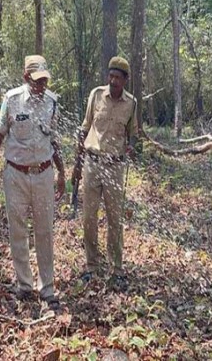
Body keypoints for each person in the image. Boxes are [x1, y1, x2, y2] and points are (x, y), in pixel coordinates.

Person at [0, 55, 65, 309]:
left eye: (45, 81)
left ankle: (47, 287)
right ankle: (24, 284)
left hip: (43, 174)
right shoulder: (12, 100)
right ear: (26, 78)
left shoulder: (52, 103)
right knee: (17, 230)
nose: (42, 86)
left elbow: (54, 141)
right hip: (15, 175)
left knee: (44, 231)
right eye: (37, 81)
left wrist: (61, 173)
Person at [72, 56, 138, 289]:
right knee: (89, 217)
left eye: (118, 78)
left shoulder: (132, 103)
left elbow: (133, 134)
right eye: (110, 76)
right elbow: (84, 127)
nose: (113, 81)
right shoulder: (96, 95)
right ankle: (91, 265)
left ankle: (116, 268)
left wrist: (131, 146)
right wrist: (77, 165)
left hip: (116, 166)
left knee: (114, 219)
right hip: (93, 163)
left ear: (125, 80)